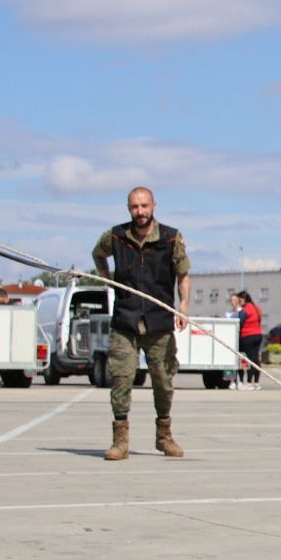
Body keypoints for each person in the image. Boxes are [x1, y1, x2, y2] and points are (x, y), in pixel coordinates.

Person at [92, 186, 191, 461]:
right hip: (126, 320)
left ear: (154, 206)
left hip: (159, 322)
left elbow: (183, 275)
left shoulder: (171, 238)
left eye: (144, 206)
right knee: (121, 378)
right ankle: (120, 441)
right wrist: (105, 277)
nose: (140, 212)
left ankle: (164, 436)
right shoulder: (116, 236)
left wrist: (183, 307)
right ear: (129, 209)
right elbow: (97, 254)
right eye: (135, 207)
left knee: (163, 380)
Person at [237, 289, 263, 387]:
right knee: (256, 359)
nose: (239, 303)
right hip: (258, 334)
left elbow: (240, 322)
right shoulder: (256, 308)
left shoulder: (246, 309)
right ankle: (256, 381)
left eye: (240, 301)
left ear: (244, 299)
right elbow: (259, 319)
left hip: (248, 335)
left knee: (249, 359)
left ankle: (248, 382)